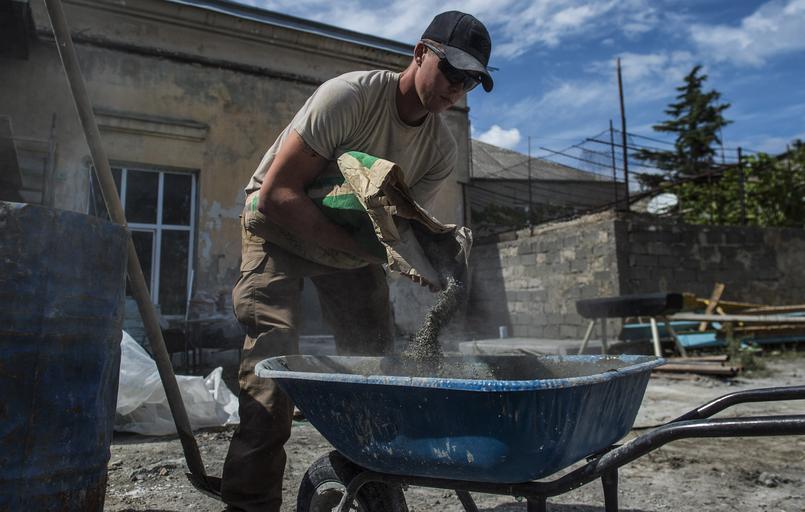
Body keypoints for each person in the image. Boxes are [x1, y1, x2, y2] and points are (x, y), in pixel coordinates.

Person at [221, 11, 494, 512]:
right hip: (277, 229)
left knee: (376, 371)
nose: (457, 87)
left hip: (348, 245)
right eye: (451, 70)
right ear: (420, 53)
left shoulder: (440, 150)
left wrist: (431, 261)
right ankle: (249, 504)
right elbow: (278, 196)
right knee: (271, 376)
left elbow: (396, 226)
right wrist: (368, 252)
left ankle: (366, 487)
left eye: (470, 80)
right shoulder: (349, 97)